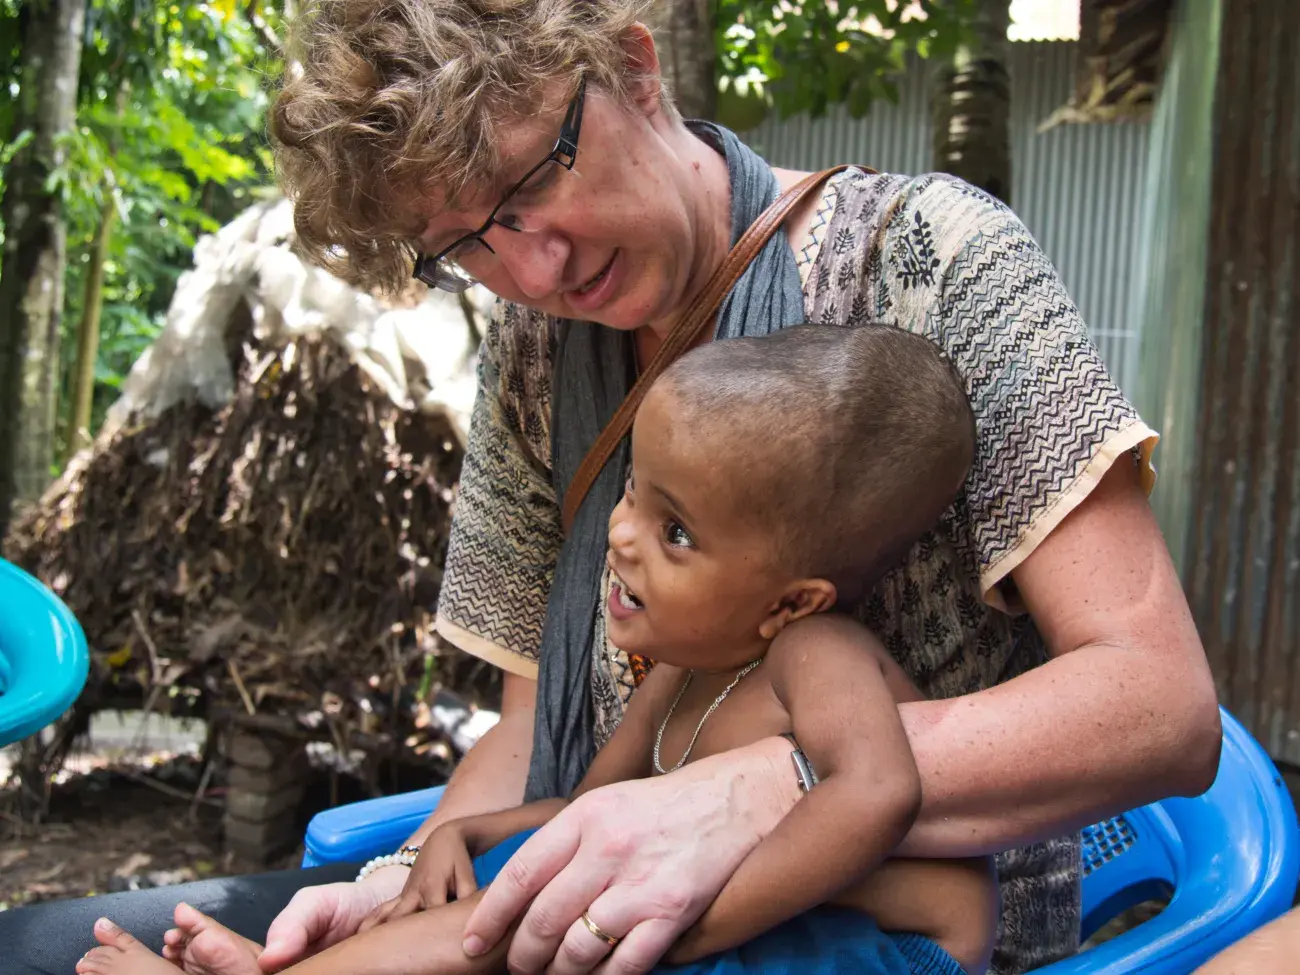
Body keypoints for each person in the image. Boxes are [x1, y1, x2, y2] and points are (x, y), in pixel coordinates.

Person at [0, 2, 1222, 973]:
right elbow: (532, 732)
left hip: (870, 925)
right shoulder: (540, 354)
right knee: (35, 949)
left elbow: (1157, 708)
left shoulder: (931, 261)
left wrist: (764, 787)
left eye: (534, 183)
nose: (532, 262)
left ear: (635, 70)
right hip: (579, 869)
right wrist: (400, 887)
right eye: (465, 243)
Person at [76, 325, 998, 975]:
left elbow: (879, 790)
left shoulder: (819, 655)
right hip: (777, 934)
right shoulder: (679, 673)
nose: (625, 538)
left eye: (678, 533)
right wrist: (463, 831)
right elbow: (586, 815)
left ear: (789, 600)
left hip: (888, 951)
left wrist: (701, 920)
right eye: (634, 495)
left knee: (526, 929)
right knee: (514, 908)